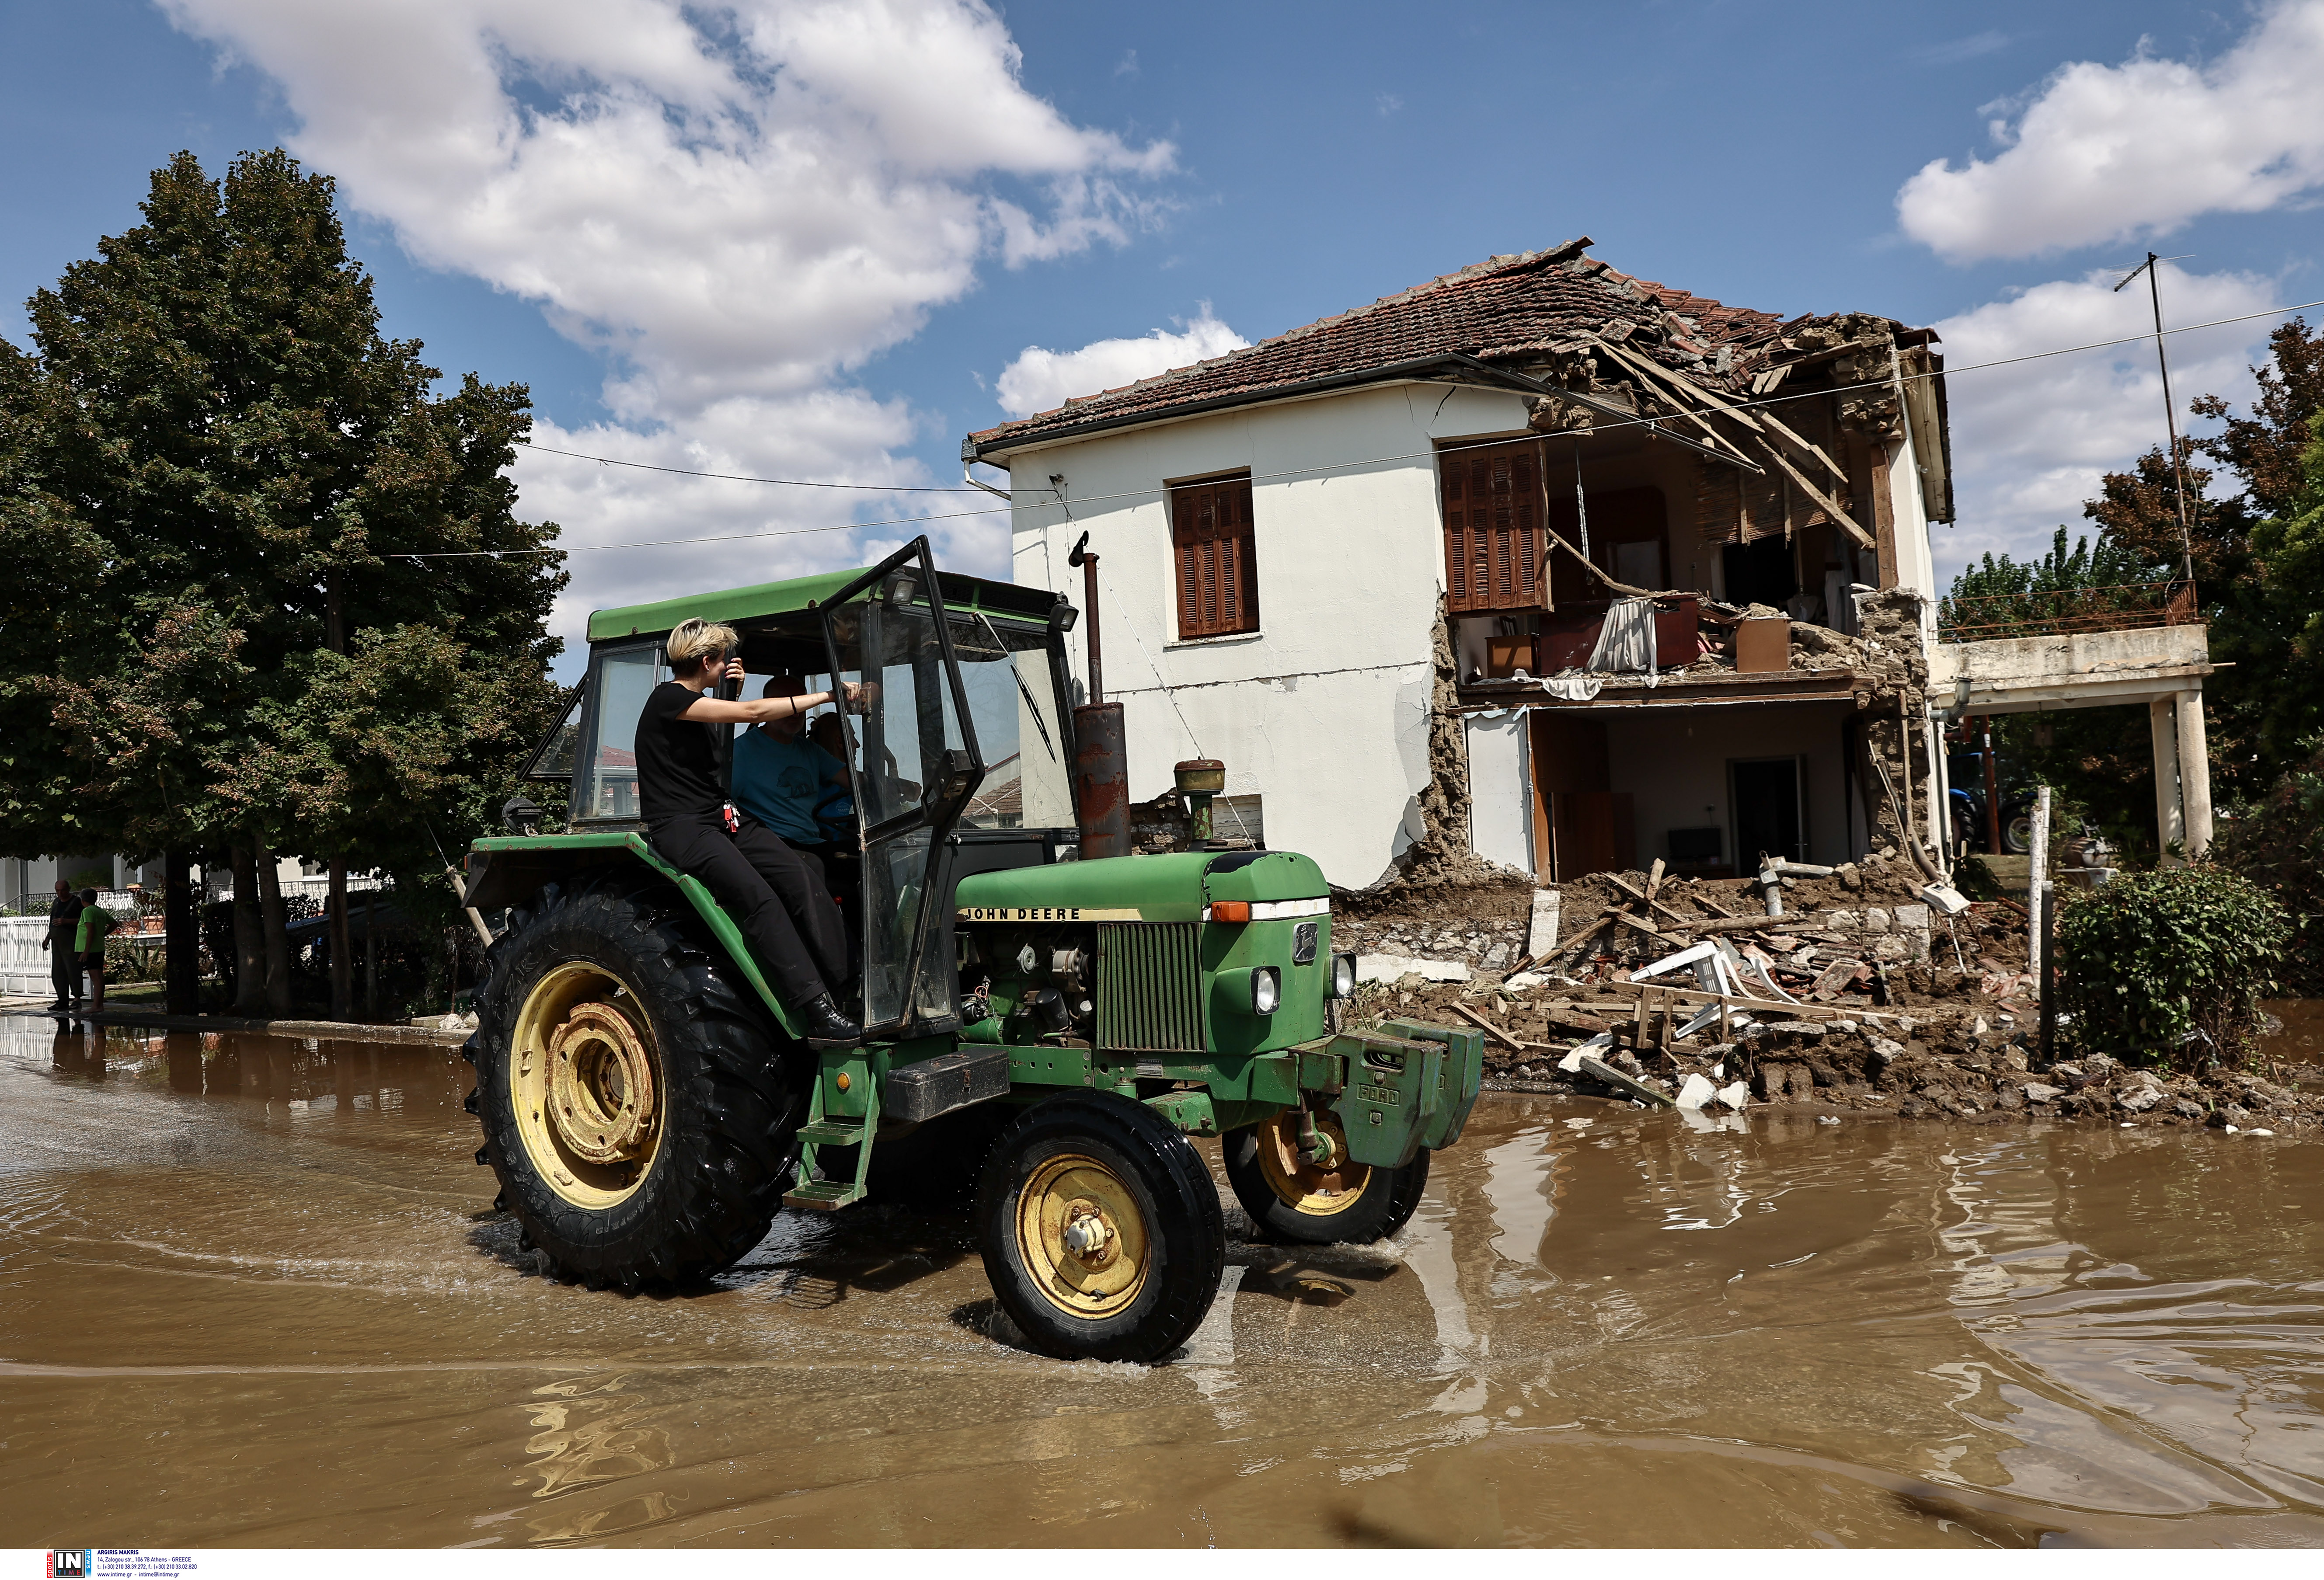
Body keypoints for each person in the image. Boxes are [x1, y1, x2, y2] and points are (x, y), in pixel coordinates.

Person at [635, 618, 866, 1045]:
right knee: (760, 898)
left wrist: (730, 691)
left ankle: (854, 985)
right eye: (722, 660)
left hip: (720, 815)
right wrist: (827, 696)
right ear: (707, 660)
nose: (726, 666)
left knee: (800, 877)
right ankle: (816, 1010)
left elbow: (720, 741)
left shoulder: (701, 702)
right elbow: (754, 714)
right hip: (684, 827)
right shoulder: (667, 698)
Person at [732, 679, 862, 963]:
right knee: (811, 866)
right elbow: (722, 804)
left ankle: (874, 958)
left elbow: (854, 782)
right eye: (786, 706)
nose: (794, 713)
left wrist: (895, 786)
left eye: (799, 706)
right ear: (767, 708)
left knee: (868, 862)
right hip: (770, 844)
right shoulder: (742, 753)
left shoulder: (808, 751)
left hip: (810, 841)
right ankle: (836, 965)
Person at [41, 879, 83, 1013]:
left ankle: (77, 998)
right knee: (58, 971)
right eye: (57, 891)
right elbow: (52, 921)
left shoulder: (77, 902)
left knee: (73, 969)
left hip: (71, 941)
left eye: (63, 890)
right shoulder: (56, 902)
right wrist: (48, 937)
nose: (60, 893)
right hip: (56, 941)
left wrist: (67, 921)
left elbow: (84, 920)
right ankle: (62, 1000)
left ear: (69, 889)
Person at [73, 887, 113, 1017]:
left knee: (96, 978)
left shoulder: (88, 911)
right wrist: (102, 935)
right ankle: (98, 1005)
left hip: (91, 950)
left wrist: (86, 951)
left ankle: (97, 1006)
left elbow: (90, 931)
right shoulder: (99, 911)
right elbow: (114, 924)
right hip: (98, 948)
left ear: (82, 900)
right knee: (99, 978)